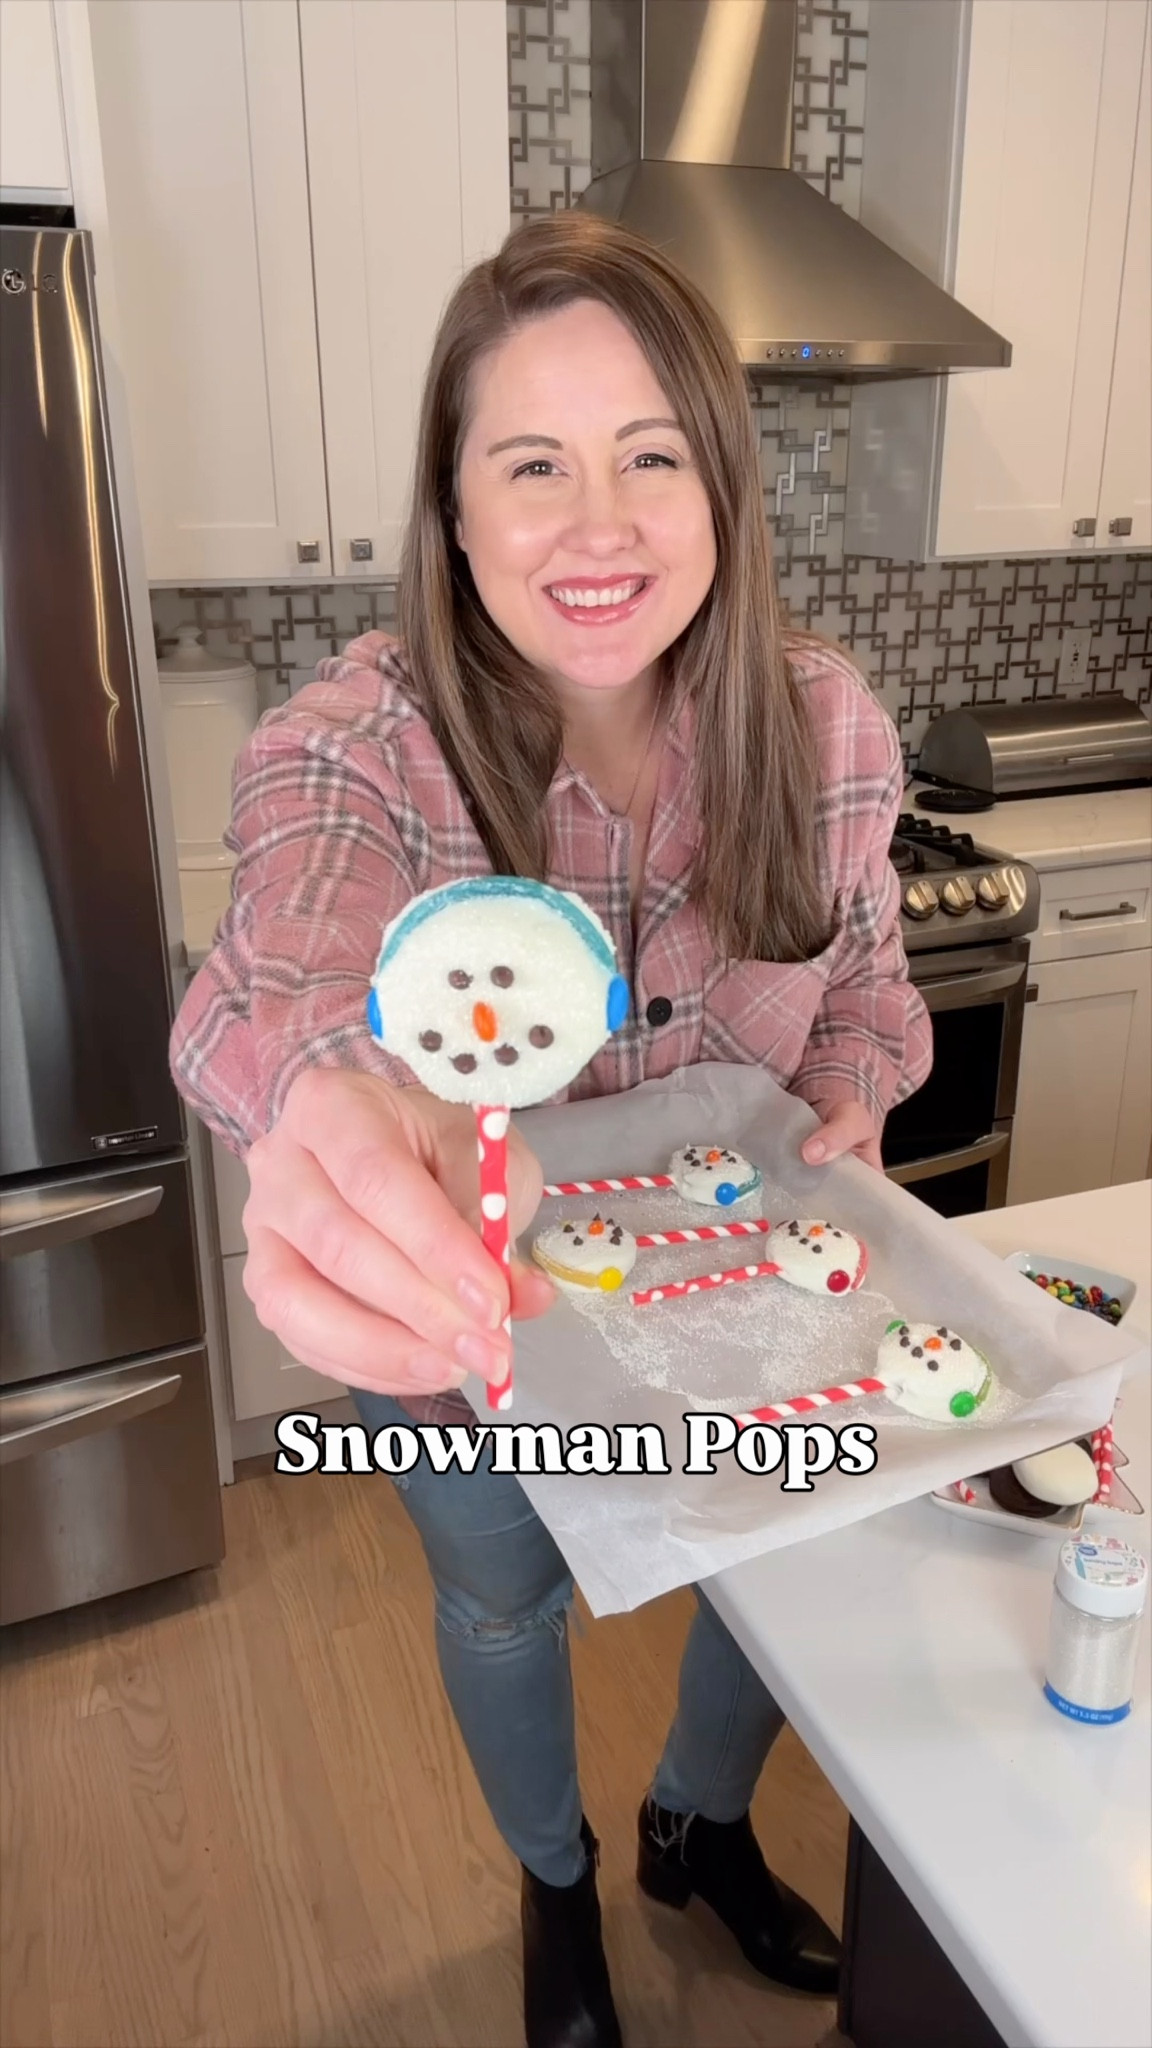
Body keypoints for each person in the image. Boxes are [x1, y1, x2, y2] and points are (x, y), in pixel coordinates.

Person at [171, 212, 931, 2048]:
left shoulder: (825, 730)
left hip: (732, 1292)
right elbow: (282, 971)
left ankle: (696, 1826)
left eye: (652, 456)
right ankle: (558, 1884)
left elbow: (864, 988)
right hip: (476, 1333)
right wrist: (335, 1100)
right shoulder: (366, 748)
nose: (600, 524)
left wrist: (855, 1085)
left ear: (722, 494)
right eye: (533, 465)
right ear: (453, 516)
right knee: (502, 1596)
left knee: (768, 1559)